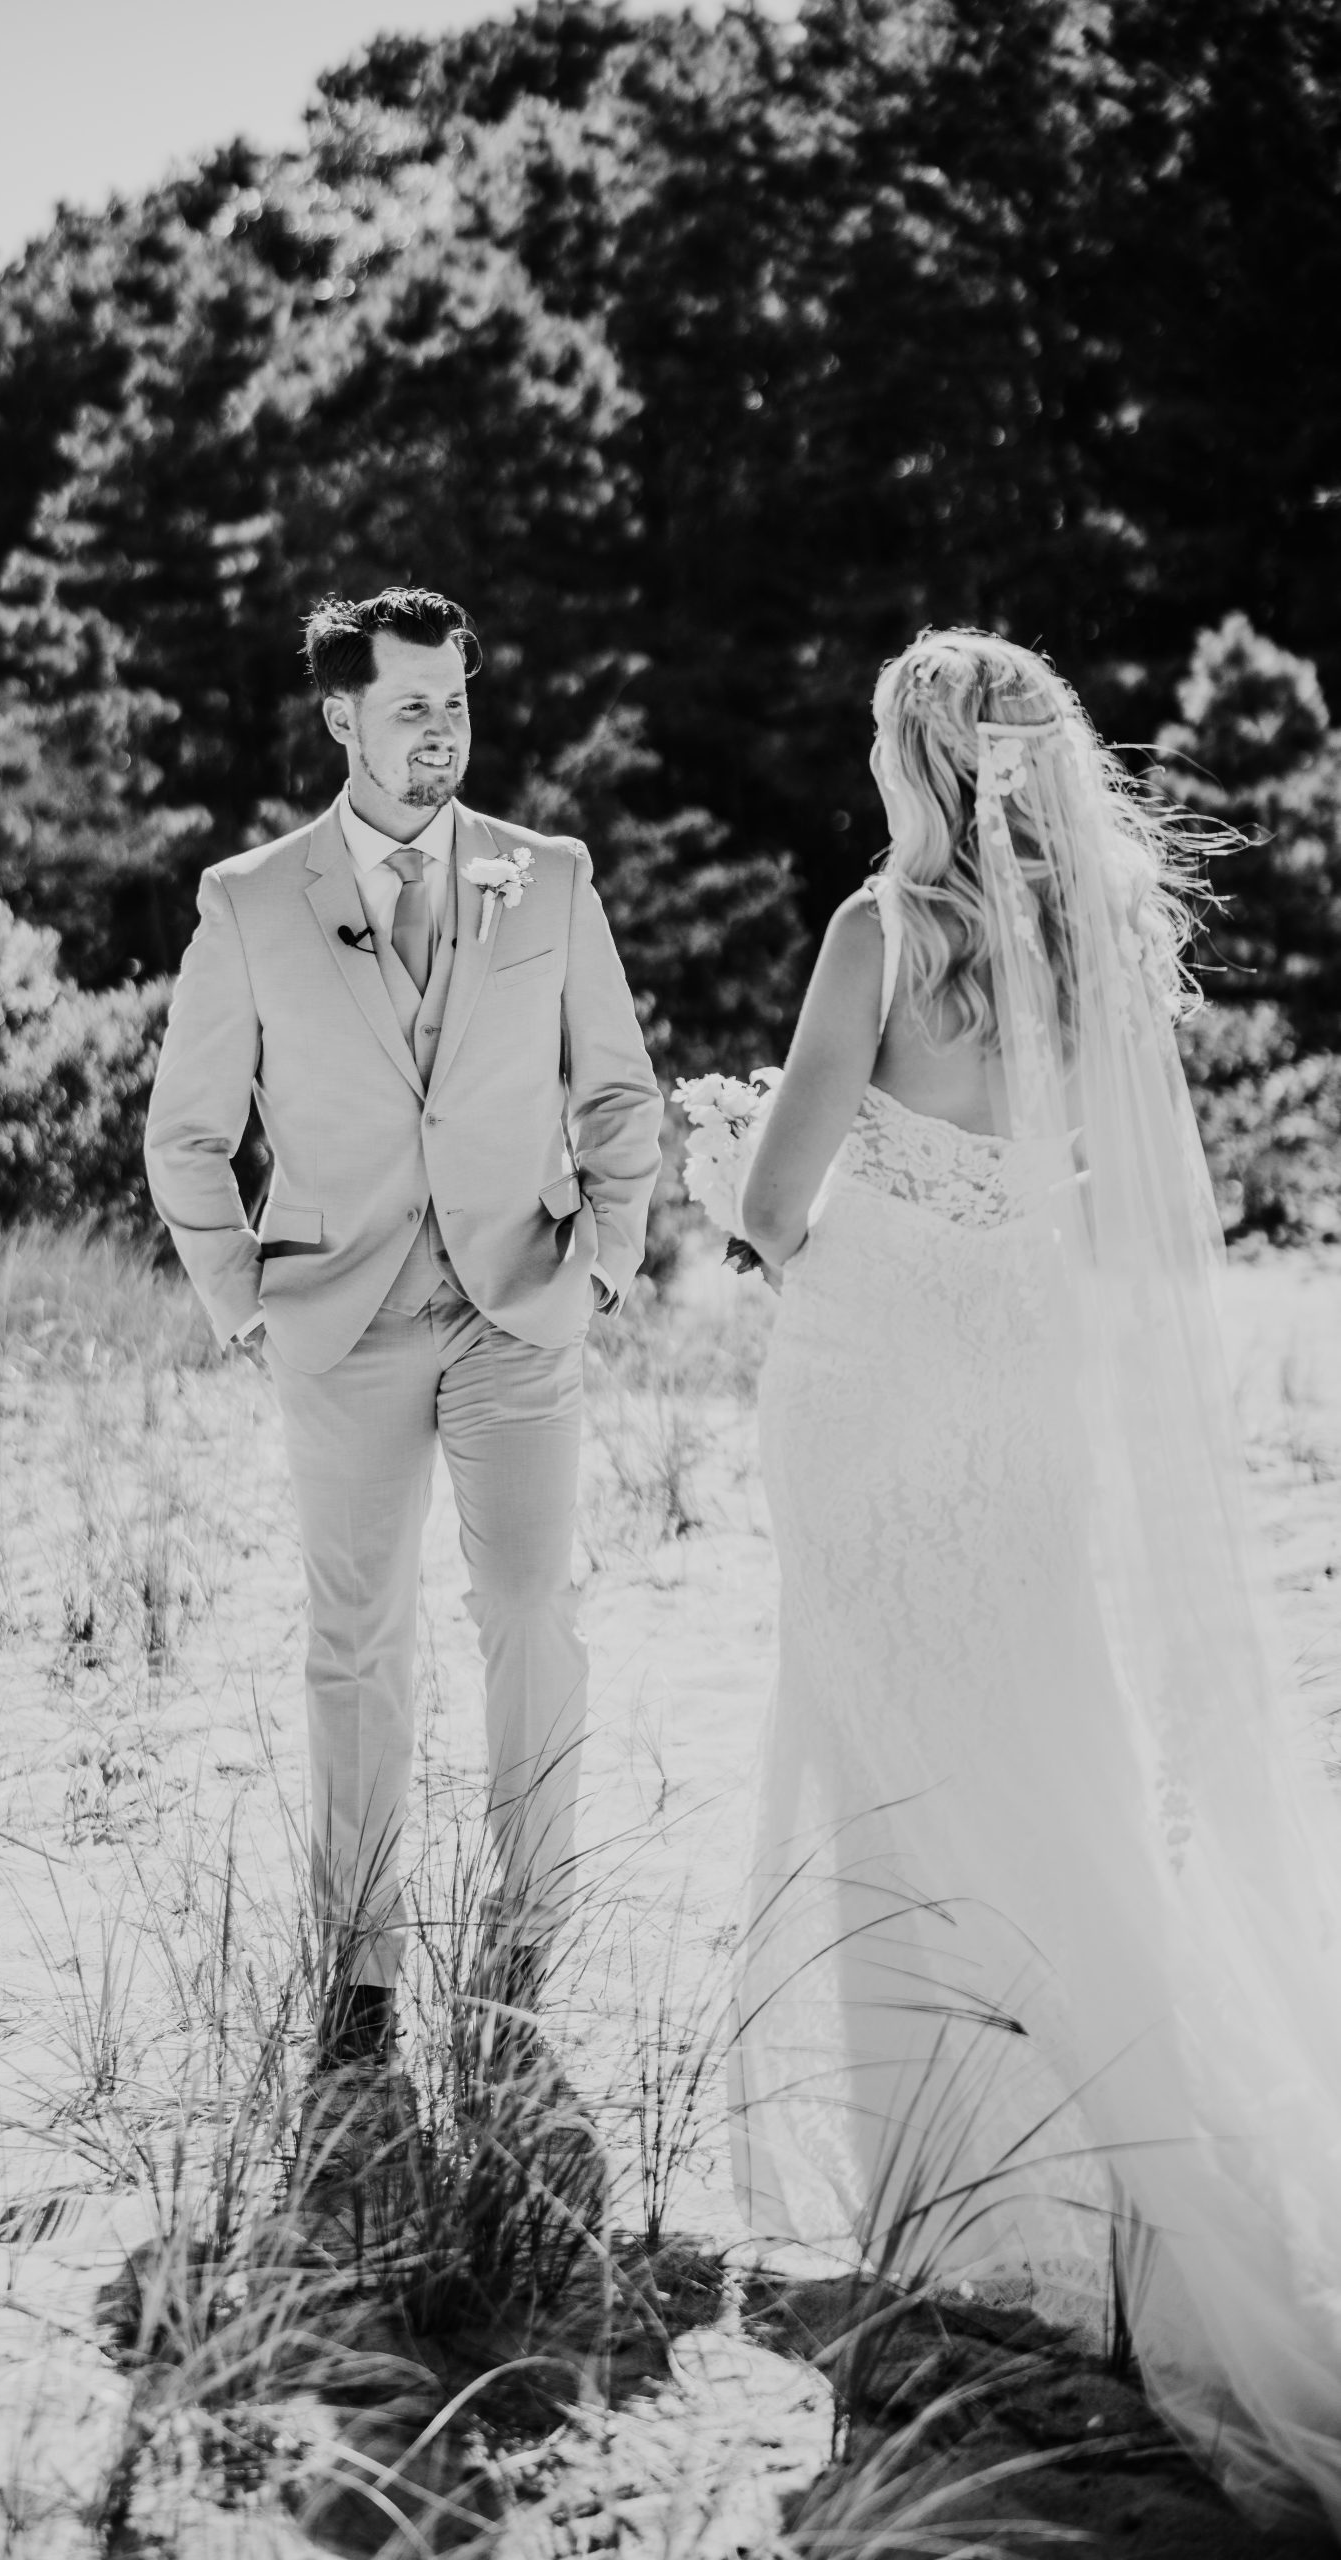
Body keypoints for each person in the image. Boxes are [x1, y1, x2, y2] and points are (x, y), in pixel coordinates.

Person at [728, 627, 1341, 2529]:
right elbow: (1059, 1184)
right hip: (1020, 1413)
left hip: (868, 1408)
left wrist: (712, 1153)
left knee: (894, 1787)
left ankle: (957, 2201)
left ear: (919, 758)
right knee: (1046, 1759)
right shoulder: (1096, 948)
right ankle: (1121, 2182)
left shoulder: (881, 935)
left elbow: (774, 1206)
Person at [144, 586, 662, 2076]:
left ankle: (523, 1943)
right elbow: (188, 1135)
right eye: (413, 705)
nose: (443, 731)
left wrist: (607, 1265)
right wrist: (247, 1305)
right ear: (341, 717)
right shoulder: (251, 898)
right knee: (353, 1644)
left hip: (518, 1311)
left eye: (457, 702)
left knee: (531, 1615)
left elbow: (616, 1093)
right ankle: (360, 1968)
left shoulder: (545, 874)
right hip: (343, 1323)